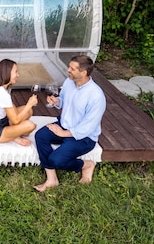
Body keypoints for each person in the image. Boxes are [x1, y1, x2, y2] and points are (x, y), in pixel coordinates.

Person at [33, 55, 106, 192]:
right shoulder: (69, 82)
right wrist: (57, 102)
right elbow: (65, 101)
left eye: (72, 68)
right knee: (41, 136)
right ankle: (52, 179)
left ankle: (86, 165)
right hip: (65, 124)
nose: (68, 70)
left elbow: (88, 127)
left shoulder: (96, 96)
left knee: (56, 160)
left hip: (84, 137)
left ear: (83, 73)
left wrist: (63, 133)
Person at [0, 59, 38, 146]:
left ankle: (12, 134)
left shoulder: (2, 87)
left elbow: (12, 109)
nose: (18, 75)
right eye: (16, 72)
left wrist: (27, 108)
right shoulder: (0, 92)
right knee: (30, 126)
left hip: (3, 121)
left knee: (28, 111)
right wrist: (29, 104)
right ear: (7, 73)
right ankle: (14, 137)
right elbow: (16, 120)